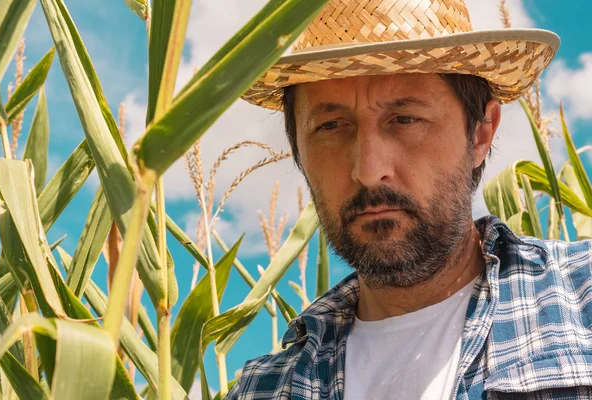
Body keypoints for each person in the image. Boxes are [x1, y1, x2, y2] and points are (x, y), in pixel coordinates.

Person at [227, 0, 592, 398]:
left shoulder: (582, 301)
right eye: (331, 126)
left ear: (481, 134)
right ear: (297, 149)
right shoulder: (263, 389)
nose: (368, 170)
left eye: (404, 119)